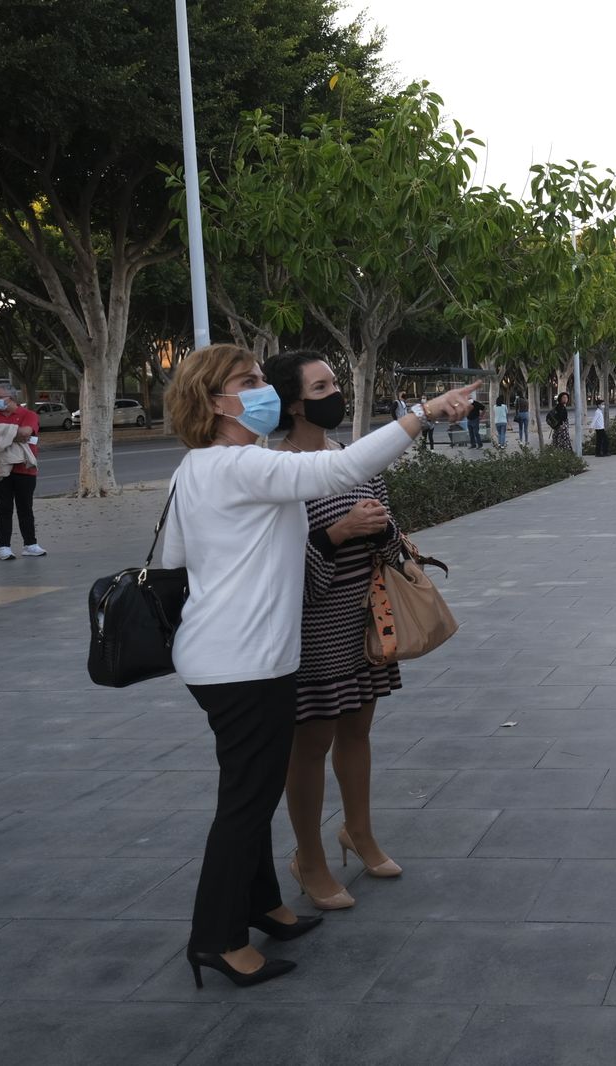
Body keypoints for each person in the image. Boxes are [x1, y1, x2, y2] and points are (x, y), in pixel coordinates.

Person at [159, 343, 477, 988]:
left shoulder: (200, 468)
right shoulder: (238, 465)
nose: (260, 390)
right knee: (244, 806)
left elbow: (175, 559)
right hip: (240, 660)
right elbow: (338, 473)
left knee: (247, 792)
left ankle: (264, 906)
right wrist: (424, 412)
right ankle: (217, 940)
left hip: (232, 654)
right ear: (212, 402)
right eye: (246, 382)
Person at [265, 350, 408, 916]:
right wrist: (340, 532)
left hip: (364, 621)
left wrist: (382, 532)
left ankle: (360, 833)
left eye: (334, 383)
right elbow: (284, 573)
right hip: (313, 631)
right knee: (311, 745)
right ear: (296, 403)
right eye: (322, 385)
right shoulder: (277, 473)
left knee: (357, 732)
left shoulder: (352, 459)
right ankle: (310, 858)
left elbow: (392, 531)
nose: (334, 393)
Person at [0, 383, 45, 561]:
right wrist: (12, 434)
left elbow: (26, 432)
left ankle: (30, 544)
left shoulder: (28, 415)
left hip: (25, 468)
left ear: (12, 398)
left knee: (25, 508)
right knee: (4, 509)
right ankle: (4, 548)